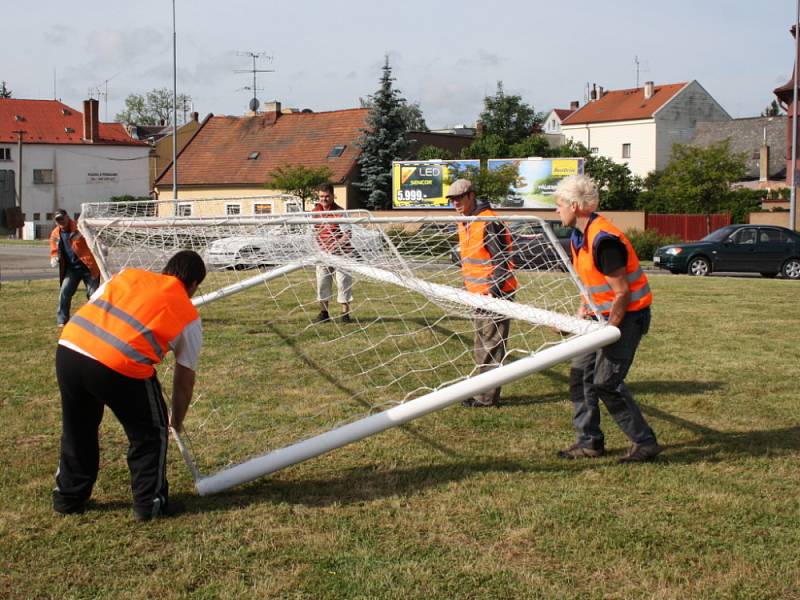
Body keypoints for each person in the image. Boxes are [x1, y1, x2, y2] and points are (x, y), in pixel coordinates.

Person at [52, 250, 206, 521]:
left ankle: (68, 498)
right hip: (117, 364)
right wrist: (175, 420)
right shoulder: (188, 313)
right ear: (193, 285)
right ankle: (150, 504)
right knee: (149, 434)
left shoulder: (128, 276)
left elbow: (94, 304)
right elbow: (184, 379)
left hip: (70, 348)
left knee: (78, 429)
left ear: (167, 270)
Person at [553, 174, 662, 463]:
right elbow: (591, 288)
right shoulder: (579, 236)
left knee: (606, 383)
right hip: (598, 318)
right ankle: (589, 442)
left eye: (559, 204)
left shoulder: (604, 240)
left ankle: (645, 443)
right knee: (580, 376)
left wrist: (609, 329)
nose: (557, 210)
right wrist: (576, 321)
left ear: (575, 206)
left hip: (626, 318)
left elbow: (622, 293)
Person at [447, 179, 517, 408]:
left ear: (471, 196)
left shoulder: (487, 221)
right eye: (451, 200)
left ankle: (486, 398)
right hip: (477, 293)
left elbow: (501, 260)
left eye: (458, 198)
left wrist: (493, 292)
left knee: (491, 345)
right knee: (482, 343)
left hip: (495, 294)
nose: (455, 203)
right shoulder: (466, 221)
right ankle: (482, 393)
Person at [49, 209, 101, 327]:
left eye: (62, 218)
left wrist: (100, 246)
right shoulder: (55, 234)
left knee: (93, 295)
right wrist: (53, 256)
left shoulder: (80, 227)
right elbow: (53, 247)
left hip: (89, 266)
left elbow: (95, 238)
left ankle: (95, 319)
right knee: (64, 292)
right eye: (58, 220)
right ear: (55, 222)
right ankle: (62, 320)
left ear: (67, 217)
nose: (61, 221)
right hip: (72, 269)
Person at [312, 183, 354, 323]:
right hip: (323, 255)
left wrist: (336, 245)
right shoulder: (315, 212)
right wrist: (319, 247)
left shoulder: (340, 212)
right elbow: (313, 233)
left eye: (327, 196)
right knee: (322, 283)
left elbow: (348, 234)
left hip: (341, 254)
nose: (324, 199)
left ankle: (345, 315)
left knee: (343, 283)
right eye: (321, 196)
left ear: (332, 196)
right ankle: (324, 314)